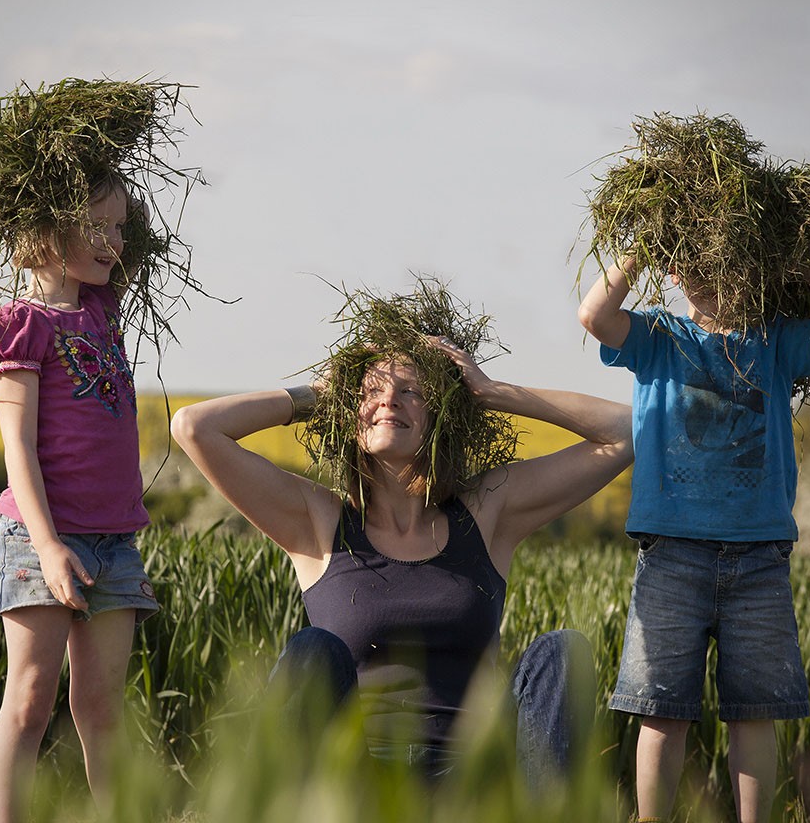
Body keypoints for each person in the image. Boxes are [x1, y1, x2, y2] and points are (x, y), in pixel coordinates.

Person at [170, 313, 633, 785]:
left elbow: (624, 431)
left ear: (441, 416)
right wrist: (319, 397)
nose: (390, 398)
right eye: (373, 391)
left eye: (412, 392)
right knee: (313, 650)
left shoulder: (487, 511)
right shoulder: (318, 521)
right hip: (356, 782)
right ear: (351, 418)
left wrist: (491, 393)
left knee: (562, 652)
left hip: (472, 780)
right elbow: (193, 427)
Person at [577, 255, 810, 823]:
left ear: (756, 266)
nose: (713, 274)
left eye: (729, 261)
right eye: (696, 262)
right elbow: (594, 314)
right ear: (676, 271)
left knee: (754, 711)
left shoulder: (776, 341)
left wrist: (804, 263)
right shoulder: (659, 336)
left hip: (759, 557)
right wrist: (640, 248)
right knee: (660, 710)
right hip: (670, 552)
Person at [0, 174, 160, 823]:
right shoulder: (18, 326)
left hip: (115, 542)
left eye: (120, 228)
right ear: (51, 228)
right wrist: (50, 547)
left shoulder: (101, 308)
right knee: (29, 699)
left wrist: (101, 172)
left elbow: (133, 242)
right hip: (39, 538)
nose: (116, 242)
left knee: (104, 709)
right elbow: (17, 448)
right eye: (100, 227)